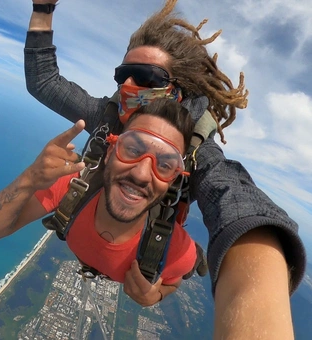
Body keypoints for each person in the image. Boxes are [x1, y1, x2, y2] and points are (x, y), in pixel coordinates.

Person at [23, 0, 306, 337]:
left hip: (146, 238)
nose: (128, 85)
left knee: (187, 264)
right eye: (123, 75)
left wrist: (159, 292)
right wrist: (43, 8)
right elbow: (44, 82)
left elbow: (233, 196)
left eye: (145, 77)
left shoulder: (195, 149)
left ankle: (196, 256)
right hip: (99, 221)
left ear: (176, 90)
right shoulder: (108, 117)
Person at [0, 99, 198, 307]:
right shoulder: (72, 189)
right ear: (110, 152)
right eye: (132, 150)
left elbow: (174, 280)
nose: (141, 174)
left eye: (165, 165)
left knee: (194, 264)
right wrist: (30, 178)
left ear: (172, 181)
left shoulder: (178, 249)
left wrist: (155, 296)